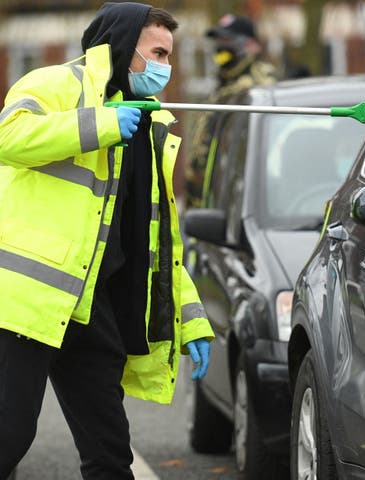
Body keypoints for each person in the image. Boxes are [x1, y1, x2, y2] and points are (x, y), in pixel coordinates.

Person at [0, 3, 214, 479]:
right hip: (28, 303)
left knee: (111, 456)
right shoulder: (53, 83)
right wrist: (100, 124)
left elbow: (156, 241)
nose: (165, 66)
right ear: (122, 44)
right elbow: (8, 136)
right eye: (157, 52)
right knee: (9, 437)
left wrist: (191, 319)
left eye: (169, 56)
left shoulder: (151, 125)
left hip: (93, 308)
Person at [184, 13, 278, 208]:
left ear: (252, 45)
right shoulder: (222, 85)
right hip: (205, 199)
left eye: (229, 40)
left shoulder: (261, 86)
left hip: (237, 201)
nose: (222, 46)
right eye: (219, 40)